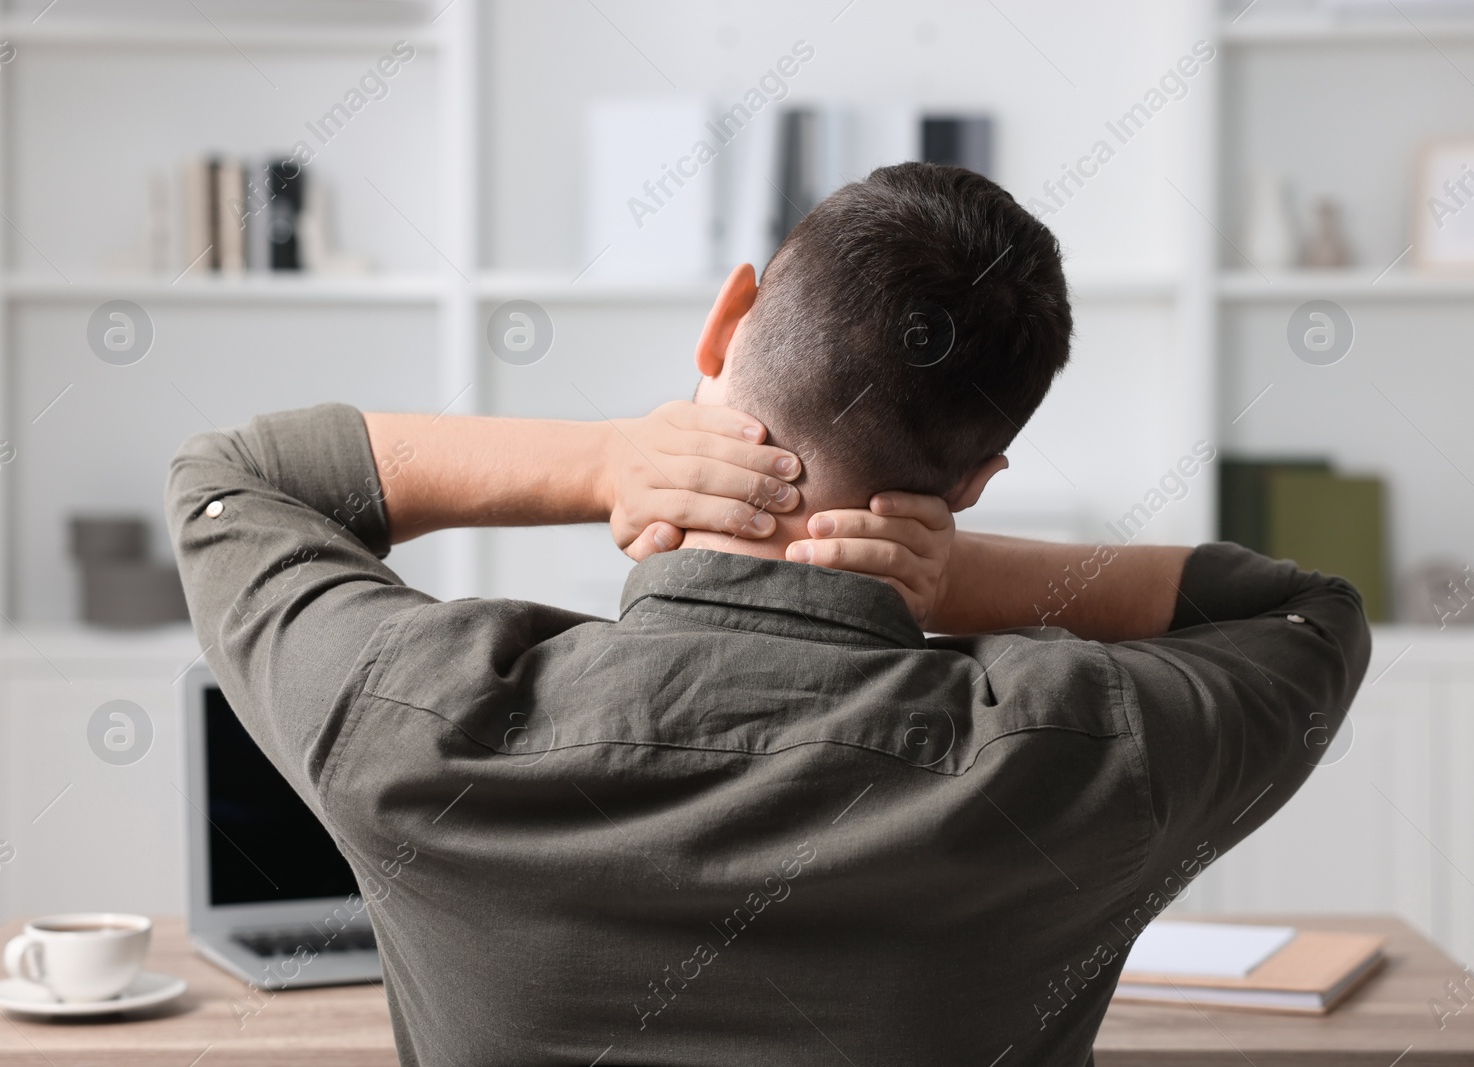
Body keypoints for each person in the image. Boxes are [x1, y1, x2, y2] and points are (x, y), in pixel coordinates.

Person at [167, 163, 1369, 1066]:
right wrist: (961, 574)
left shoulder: (416, 717)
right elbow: (1302, 611)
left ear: (727, 315)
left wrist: (607, 460)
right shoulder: (1086, 750)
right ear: (972, 481)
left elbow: (238, 479)